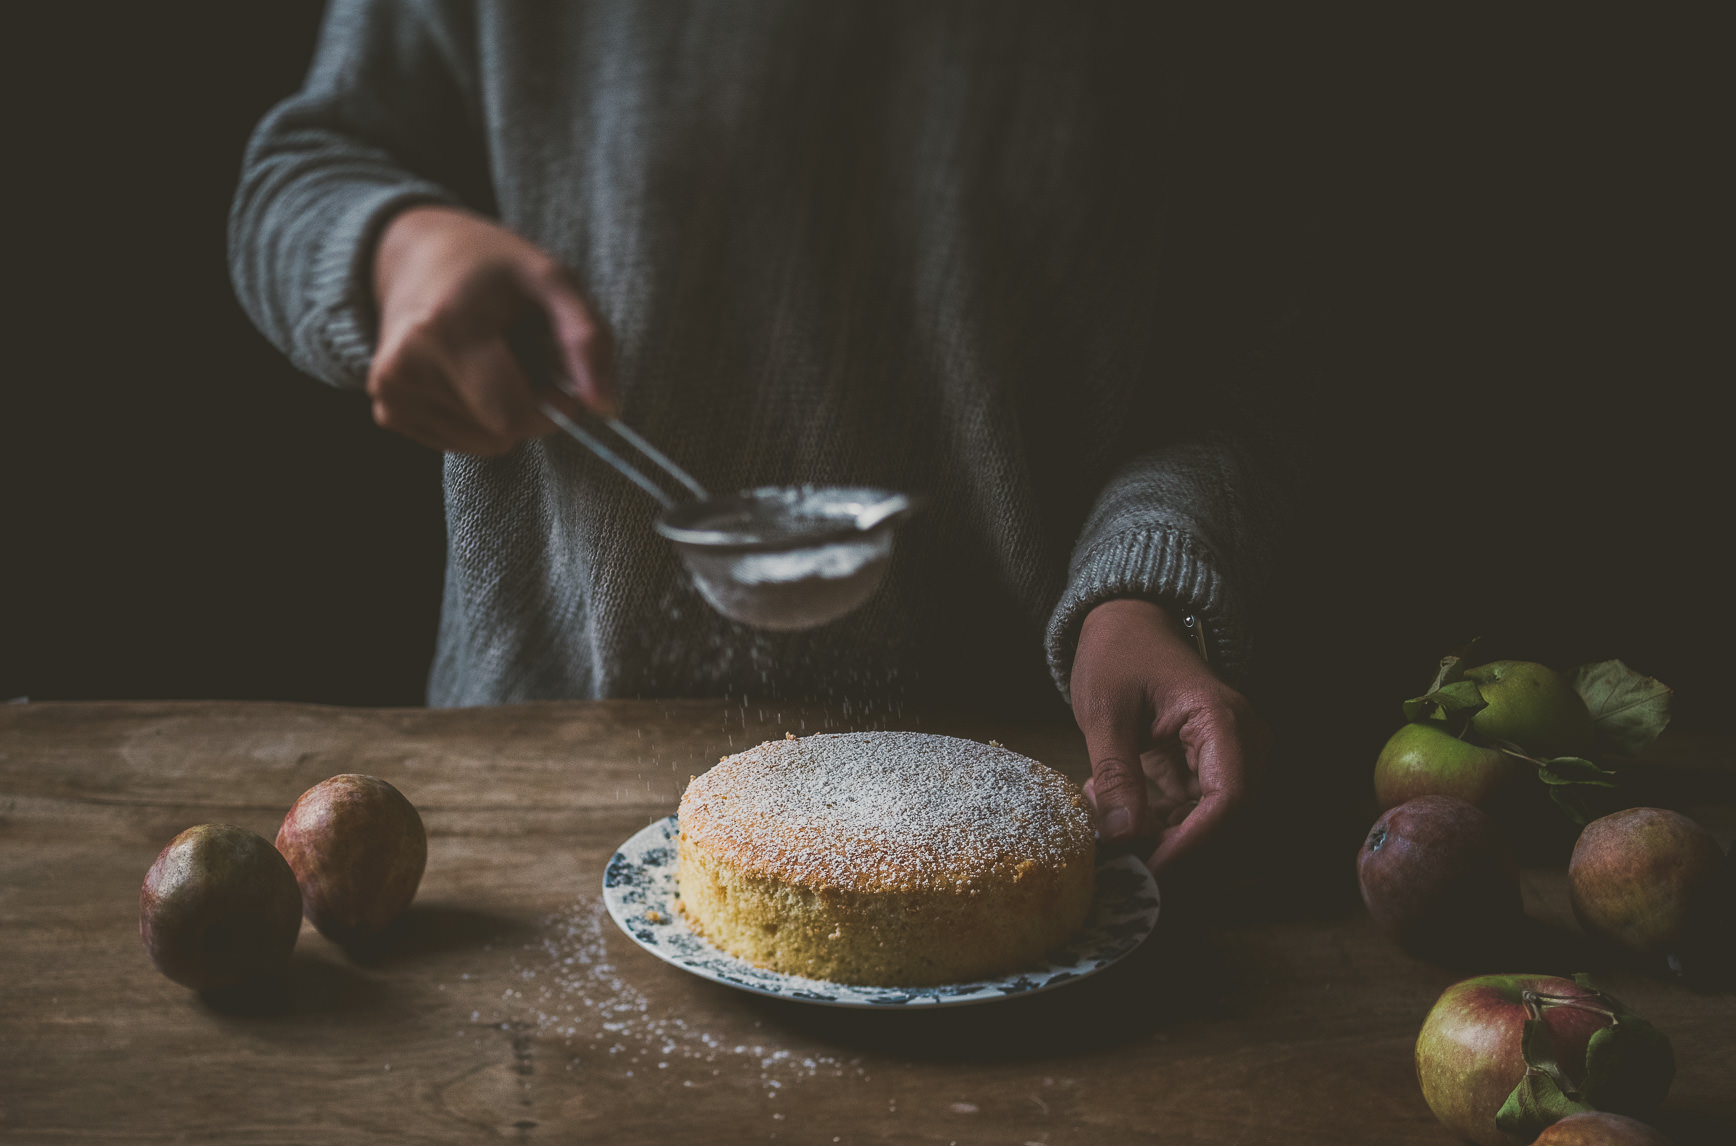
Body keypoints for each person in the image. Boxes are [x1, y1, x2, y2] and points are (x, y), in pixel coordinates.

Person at [230, 0, 1292, 877]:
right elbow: (299, 175)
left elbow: (1231, 346)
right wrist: (388, 250)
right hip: (535, 772)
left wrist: (1135, 585)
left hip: (1028, 793)